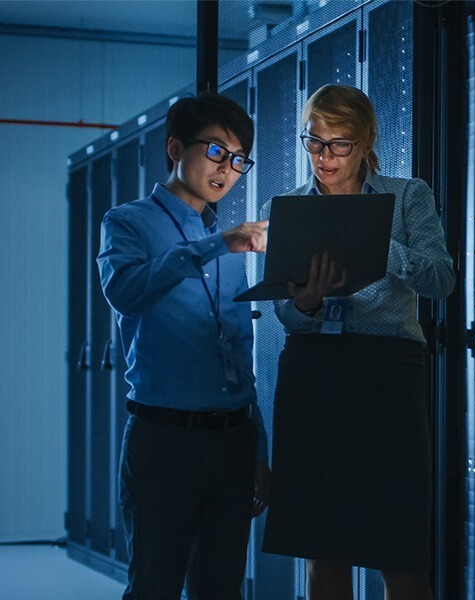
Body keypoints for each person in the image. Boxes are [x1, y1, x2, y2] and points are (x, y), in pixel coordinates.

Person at [261, 85, 455, 600]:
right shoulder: (287, 206)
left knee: (400, 547)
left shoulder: (408, 194)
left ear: (367, 139)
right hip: (313, 374)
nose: (325, 157)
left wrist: (374, 245)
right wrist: (305, 304)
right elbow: (284, 310)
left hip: (387, 376)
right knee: (324, 548)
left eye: (339, 144)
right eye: (314, 142)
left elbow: (440, 279)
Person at [96, 93, 271, 600]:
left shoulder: (228, 239)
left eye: (239, 159)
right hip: (165, 441)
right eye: (216, 151)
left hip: (232, 443)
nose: (228, 169)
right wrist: (216, 245)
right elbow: (126, 293)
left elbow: (237, 354)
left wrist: (257, 448)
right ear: (175, 147)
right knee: (154, 586)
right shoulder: (127, 222)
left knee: (222, 590)